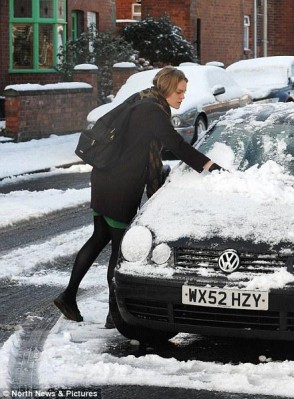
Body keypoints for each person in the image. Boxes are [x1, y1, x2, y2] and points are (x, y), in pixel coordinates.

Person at [53, 66, 220, 327]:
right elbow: (176, 145)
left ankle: (69, 295)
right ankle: (114, 313)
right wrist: (209, 165)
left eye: (184, 92)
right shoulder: (152, 111)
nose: (182, 97)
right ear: (165, 89)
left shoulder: (142, 100)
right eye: (179, 91)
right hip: (120, 186)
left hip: (103, 178)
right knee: (119, 250)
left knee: (99, 237)